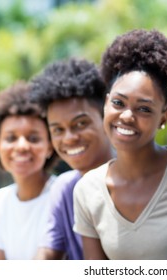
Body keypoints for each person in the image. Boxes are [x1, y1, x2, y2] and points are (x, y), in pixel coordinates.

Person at [73, 29, 167, 260]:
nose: (126, 116)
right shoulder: (87, 190)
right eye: (118, 103)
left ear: (163, 116)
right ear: (105, 104)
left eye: (144, 108)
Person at [29, 57, 114, 260]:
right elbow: (47, 255)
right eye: (57, 129)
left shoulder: (137, 176)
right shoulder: (65, 188)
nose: (69, 138)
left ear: (106, 116)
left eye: (80, 124)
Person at [0, 81, 58, 260]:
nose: (22, 146)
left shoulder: (64, 194)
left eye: (33, 138)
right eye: (10, 138)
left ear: (50, 147)